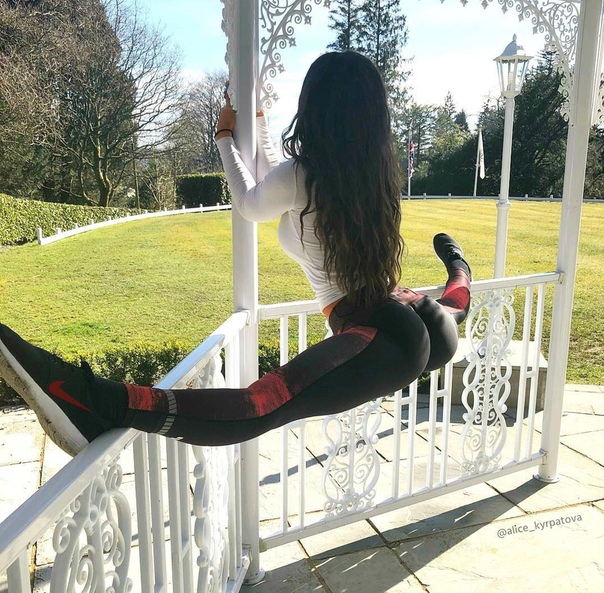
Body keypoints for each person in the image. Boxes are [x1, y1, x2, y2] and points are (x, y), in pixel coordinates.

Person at [0, 51, 471, 457]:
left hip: (385, 337)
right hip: (403, 312)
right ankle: (458, 266)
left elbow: (251, 202)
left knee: (261, 405)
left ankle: (91, 400)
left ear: (313, 109)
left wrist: (225, 138)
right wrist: (258, 124)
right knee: (452, 307)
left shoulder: (306, 174)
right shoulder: (371, 176)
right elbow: (275, 182)